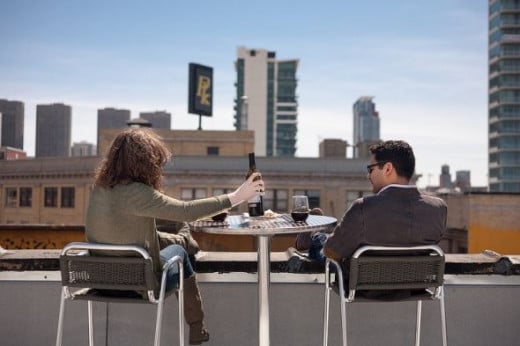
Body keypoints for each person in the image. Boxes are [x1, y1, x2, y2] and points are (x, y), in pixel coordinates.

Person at [85, 128, 265, 345]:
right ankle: (197, 327)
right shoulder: (137, 193)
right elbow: (186, 210)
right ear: (144, 163)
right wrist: (237, 197)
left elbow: (134, 228)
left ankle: (185, 240)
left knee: (170, 229)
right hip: (138, 283)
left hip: (100, 280)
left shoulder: (100, 189)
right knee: (181, 252)